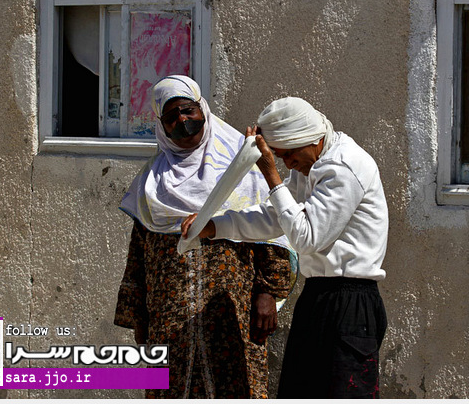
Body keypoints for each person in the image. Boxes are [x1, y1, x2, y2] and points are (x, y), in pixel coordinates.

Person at [181, 97, 389, 399]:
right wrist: (216, 226)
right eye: (280, 158)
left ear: (310, 138)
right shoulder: (311, 166)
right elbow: (275, 215)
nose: (288, 164)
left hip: (350, 303)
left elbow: (306, 237)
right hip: (318, 296)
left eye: (290, 154)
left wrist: (270, 174)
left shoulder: (343, 167)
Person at [114, 76, 297, 399]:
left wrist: (268, 293)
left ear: (203, 110)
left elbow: (272, 233)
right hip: (169, 314)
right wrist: (138, 315)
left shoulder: (241, 167)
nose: (182, 120)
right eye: (171, 117)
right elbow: (138, 254)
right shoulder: (151, 184)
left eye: (188, 110)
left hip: (232, 310)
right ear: (161, 126)